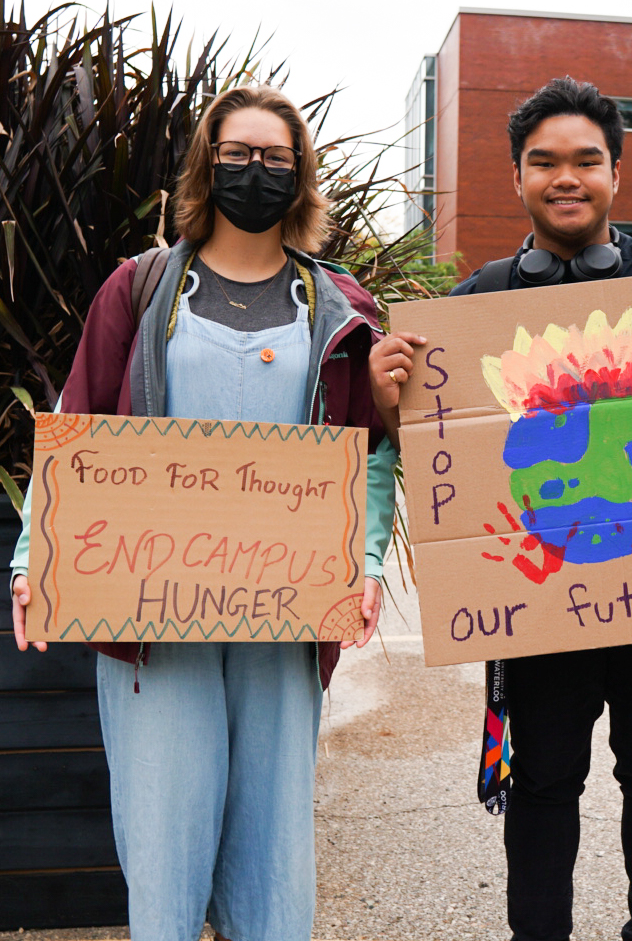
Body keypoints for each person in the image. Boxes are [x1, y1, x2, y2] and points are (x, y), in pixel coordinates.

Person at [370, 76, 632, 941]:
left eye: (586, 161)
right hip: (539, 611)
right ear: (517, 177)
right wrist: (386, 395)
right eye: (543, 162)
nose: (567, 178)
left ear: (615, 176)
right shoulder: (475, 302)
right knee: (546, 783)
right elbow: (431, 449)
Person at [8, 85, 397, 941]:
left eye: (274, 158)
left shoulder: (340, 306)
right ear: (204, 165)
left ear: (299, 177)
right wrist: (31, 558)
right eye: (236, 154)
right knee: (163, 845)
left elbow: (371, 448)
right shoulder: (139, 289)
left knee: (274, 853)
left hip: (285, 619)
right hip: (155, 619)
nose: (254, 171)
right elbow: (78, 426)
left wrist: (364, 567)